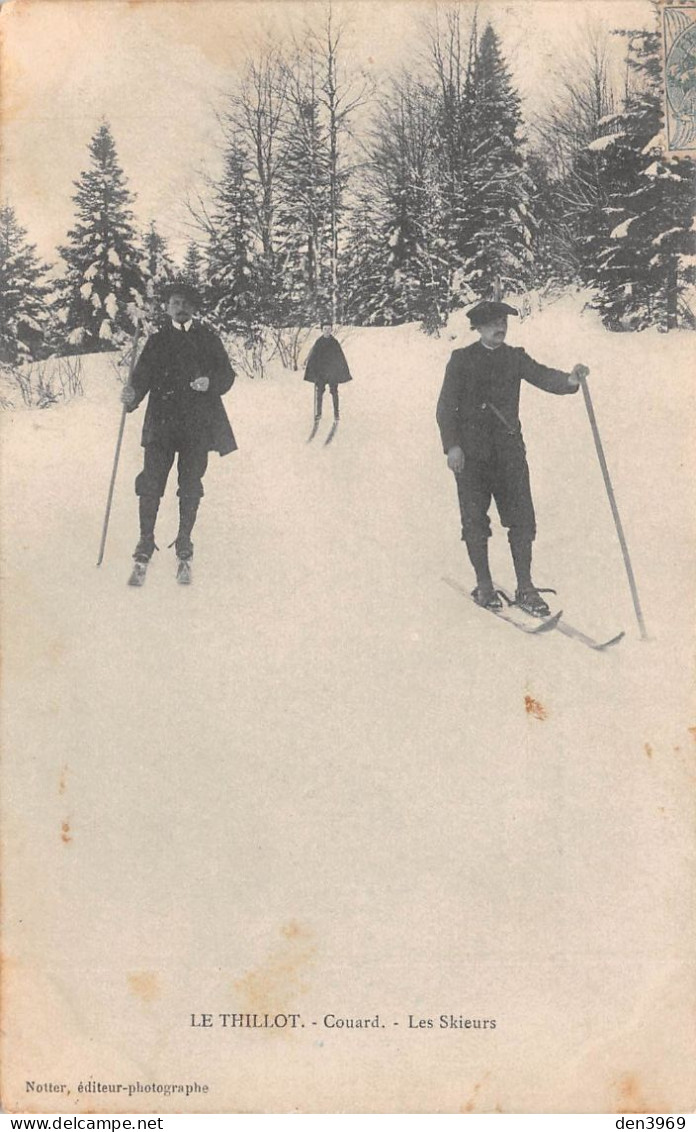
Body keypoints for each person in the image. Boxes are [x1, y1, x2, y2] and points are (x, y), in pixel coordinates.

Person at [436, 299, 589, 617]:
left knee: (522, 520)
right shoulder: (461, 360)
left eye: (504, 322)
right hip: (472, 456)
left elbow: (544, 376)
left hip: (509, 453)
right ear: (478, 327)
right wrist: (452, 446)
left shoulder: (515, 358)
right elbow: (445, 408)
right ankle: (485, 584)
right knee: (475, 520)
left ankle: (525, 587)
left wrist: (571, 380)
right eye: (493, 323)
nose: (500, 328)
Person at [121, 279, 236, 584]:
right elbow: (142, 376)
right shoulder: (157, 341)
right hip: (161, 424)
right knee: (150, 483)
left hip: (196, 426)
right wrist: (131, 396)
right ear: (167, 307)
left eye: (186, 303)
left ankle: (184, 539)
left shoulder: (208, 339)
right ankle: (146, 540)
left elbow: (227, 375)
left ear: (194, 307)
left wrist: (210, 382)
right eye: (175, 303)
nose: (180, 308)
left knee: (190, 484)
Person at [303, 320, 352, 428]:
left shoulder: (334, 342)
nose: (327, 331)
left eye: (329, 329)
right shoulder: (318, 342)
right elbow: (313, 357)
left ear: (331, 330)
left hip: (332, 372)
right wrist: (312, 370)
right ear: (322, 330)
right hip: (321, 372)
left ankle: (336, 413)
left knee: (334, 392)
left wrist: (339, 370)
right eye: (325, 329)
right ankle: (318, 413)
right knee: (319, 392)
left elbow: (340, 358)